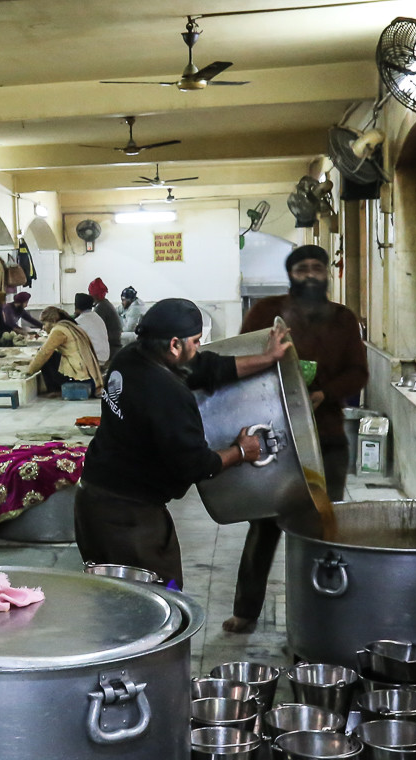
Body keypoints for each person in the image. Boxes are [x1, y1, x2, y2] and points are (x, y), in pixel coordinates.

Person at [75, 298, 290, 588]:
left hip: (91, 501)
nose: (199, 348)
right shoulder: (168, 395)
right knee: (159, 601)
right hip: (127, 518)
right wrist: (241, 451)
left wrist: (268, 359)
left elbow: (207, 367)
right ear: (175, 344)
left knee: (111, 599)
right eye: (197, 341)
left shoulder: (131, 357)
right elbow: (196, 464)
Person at [226, 244, 368, 633]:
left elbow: (359, 374)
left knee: (323, 524)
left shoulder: (342, 319)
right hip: (273, 436)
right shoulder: (265, 314)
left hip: (326, 437)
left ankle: (321, 609)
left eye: (316, 268)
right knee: (264, 521)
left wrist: (324, 394)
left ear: (327, 274)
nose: (309, 275)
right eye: (302, 268)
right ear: (291, 275)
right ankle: (246, 610)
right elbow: (242, 358)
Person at [26, 306, 103, 394]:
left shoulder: (58, 330)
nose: (43, 327)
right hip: (90, 378)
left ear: (53, 321)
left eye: (44, 323)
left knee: (48, 356)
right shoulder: (70, 325)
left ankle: (55, 390)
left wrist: (30, 371)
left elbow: (44, 352)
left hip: (80, 379)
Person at [89, 278, 123, 360]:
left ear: (94, 294)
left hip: (111, 347)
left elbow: (96, 330)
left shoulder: (101, 307)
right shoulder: (105, 303)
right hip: (114, 343)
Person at [74, 293, 110, 365]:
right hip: (105, 356)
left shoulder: (80, 321)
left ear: (76, 307)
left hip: (95, 359)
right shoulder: (96, 316)